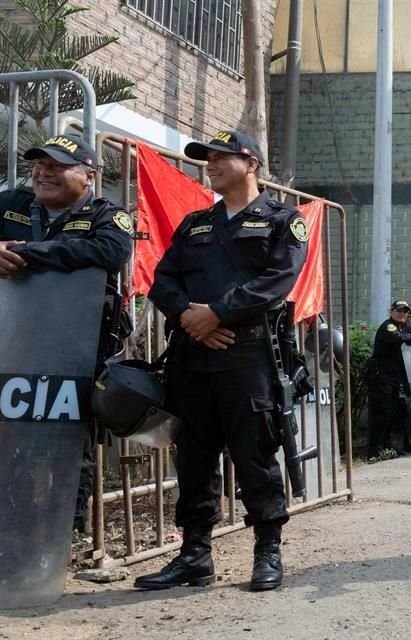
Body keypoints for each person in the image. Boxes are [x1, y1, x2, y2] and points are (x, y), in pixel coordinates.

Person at [136, 130, 308, 592]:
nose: (209, 164)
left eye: (219, 157)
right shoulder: (195, 224)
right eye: (205, 158)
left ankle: (267, 550)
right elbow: (163, 279)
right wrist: (190, 318)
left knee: (254, 452)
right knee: (193, 456)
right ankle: (194, 555)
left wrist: (218, 313)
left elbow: (279, 280)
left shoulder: (282, 220)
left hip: (248, 355)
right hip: (192, 356)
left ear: (250, 164)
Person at [0, 134, 133, 534]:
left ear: (88, 176)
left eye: (57, 166)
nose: (44, 173)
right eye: (40, 165)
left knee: (71, 440)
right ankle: (14, 526)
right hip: (13, 342)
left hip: (77, 348)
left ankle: (64, 532)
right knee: (11, 436)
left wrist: (27, 252)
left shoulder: (106, 215)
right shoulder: (11, 204)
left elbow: (110, 252)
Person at [366, 300, 411, 460]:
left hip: (393, 377)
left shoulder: (402, 327)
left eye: (405, 311)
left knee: (391, 413)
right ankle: (374, 451)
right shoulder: (389, 326)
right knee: (381, 413)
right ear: (391, 311)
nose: (402, 314)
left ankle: (385, 448)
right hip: (381, 376)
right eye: (399, 310)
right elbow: (400, 338)